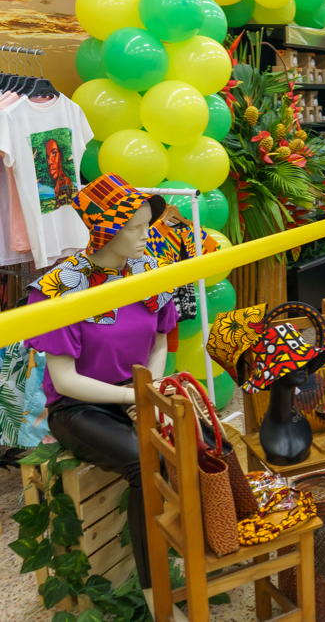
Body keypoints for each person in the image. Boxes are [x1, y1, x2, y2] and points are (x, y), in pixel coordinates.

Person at [24, 174, 178, 614]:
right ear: (104, 230)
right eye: (135, 227)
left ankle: (199, 554)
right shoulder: (58, 289)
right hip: (78, 407)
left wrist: (145, 390)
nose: (146, 235)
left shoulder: (148, 270)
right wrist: (133, 399)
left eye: (148, 224)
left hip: (136, 390)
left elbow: (161, 341)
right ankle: (156, 598)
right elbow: (66, 380)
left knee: (202, 444)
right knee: (144, 463)